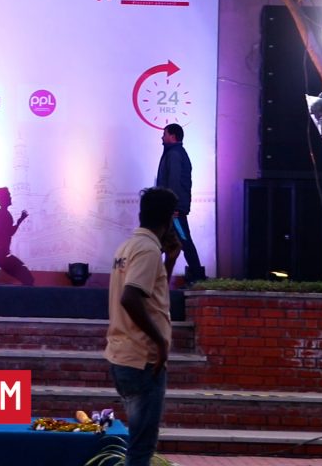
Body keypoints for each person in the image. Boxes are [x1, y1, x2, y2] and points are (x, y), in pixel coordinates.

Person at [105, 187, 180, 466]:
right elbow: (130, 298)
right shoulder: (147, 250)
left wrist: (170, 261)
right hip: (142, 359)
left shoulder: (129, 247)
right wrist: (160, 341)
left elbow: (151, 296)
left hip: (124, 354)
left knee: (138, 443)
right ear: (169, 219)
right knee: (141, 448)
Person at [155, 123, 205, 284]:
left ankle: (197, 277)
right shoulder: (175, 153)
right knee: (161, 243)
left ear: (173, 136)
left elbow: (174, 181)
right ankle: (156, 278)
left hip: (174, 211)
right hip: (171, 209)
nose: (162, 137)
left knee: (184, 240)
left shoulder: (174, 154)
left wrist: (172, 206)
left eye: (165, 134)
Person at [0, 186, 34, 285]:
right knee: (28, 279)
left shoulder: (2, 212)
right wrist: (19, 221)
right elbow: (7, 232)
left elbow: (7, 232)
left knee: (28, 278)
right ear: (2, 198)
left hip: (2, 254)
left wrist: (20, 220)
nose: (10, 197)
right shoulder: (1, 212)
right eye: (8, 195)